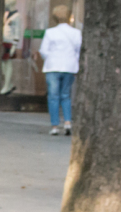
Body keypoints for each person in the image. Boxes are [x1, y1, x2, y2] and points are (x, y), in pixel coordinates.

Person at [37, 5, 80, 137]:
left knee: (53, 97)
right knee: (65, 95)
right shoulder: (76, 33)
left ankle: (55, 125)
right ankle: (68, 122)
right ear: (69, 17)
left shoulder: (50, 32)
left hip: (53, 66)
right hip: (69, 67)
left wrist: (49, 58)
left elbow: (43, 50)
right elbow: (78, 49)